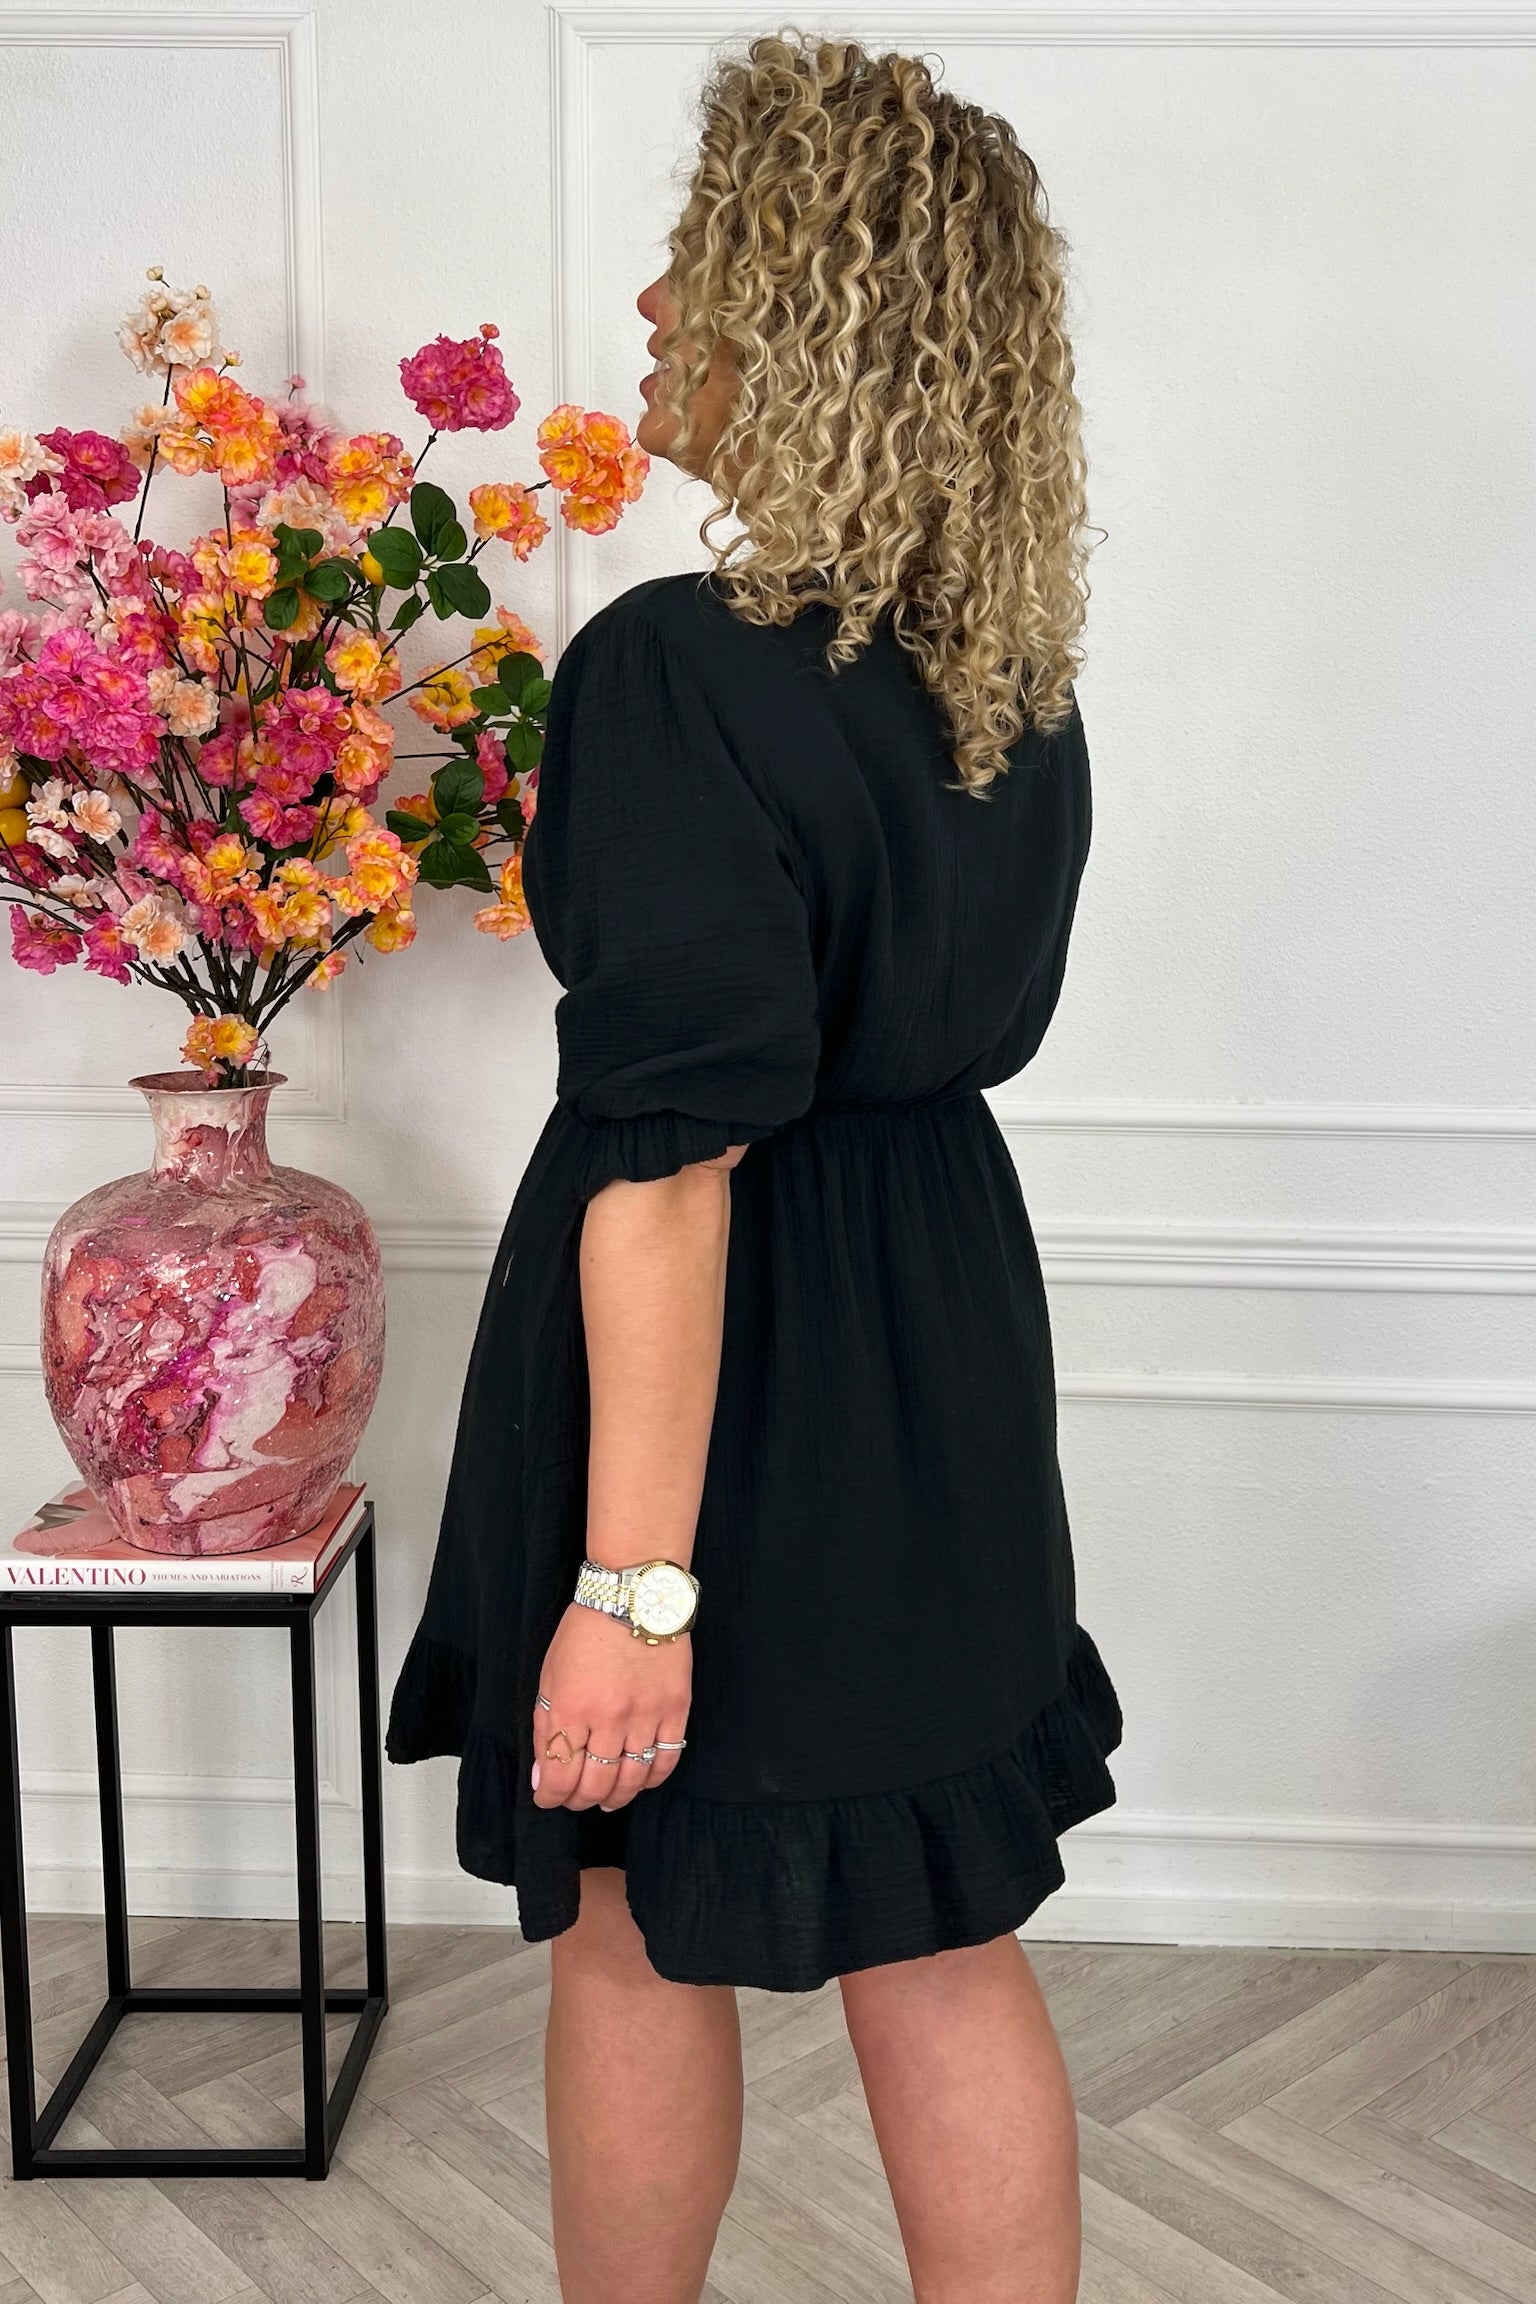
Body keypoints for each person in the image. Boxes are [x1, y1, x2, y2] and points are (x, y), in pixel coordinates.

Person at [386, 28, 1122, 2303]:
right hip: (939, 1343)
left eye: (698, 263)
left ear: (804, 321)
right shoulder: (1007, 683)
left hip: (718, 1370)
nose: (648, 309)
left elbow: (678, 1161)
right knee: (942, 1932)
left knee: (631, 1916)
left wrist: (632, 1593)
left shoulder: (676, 671)